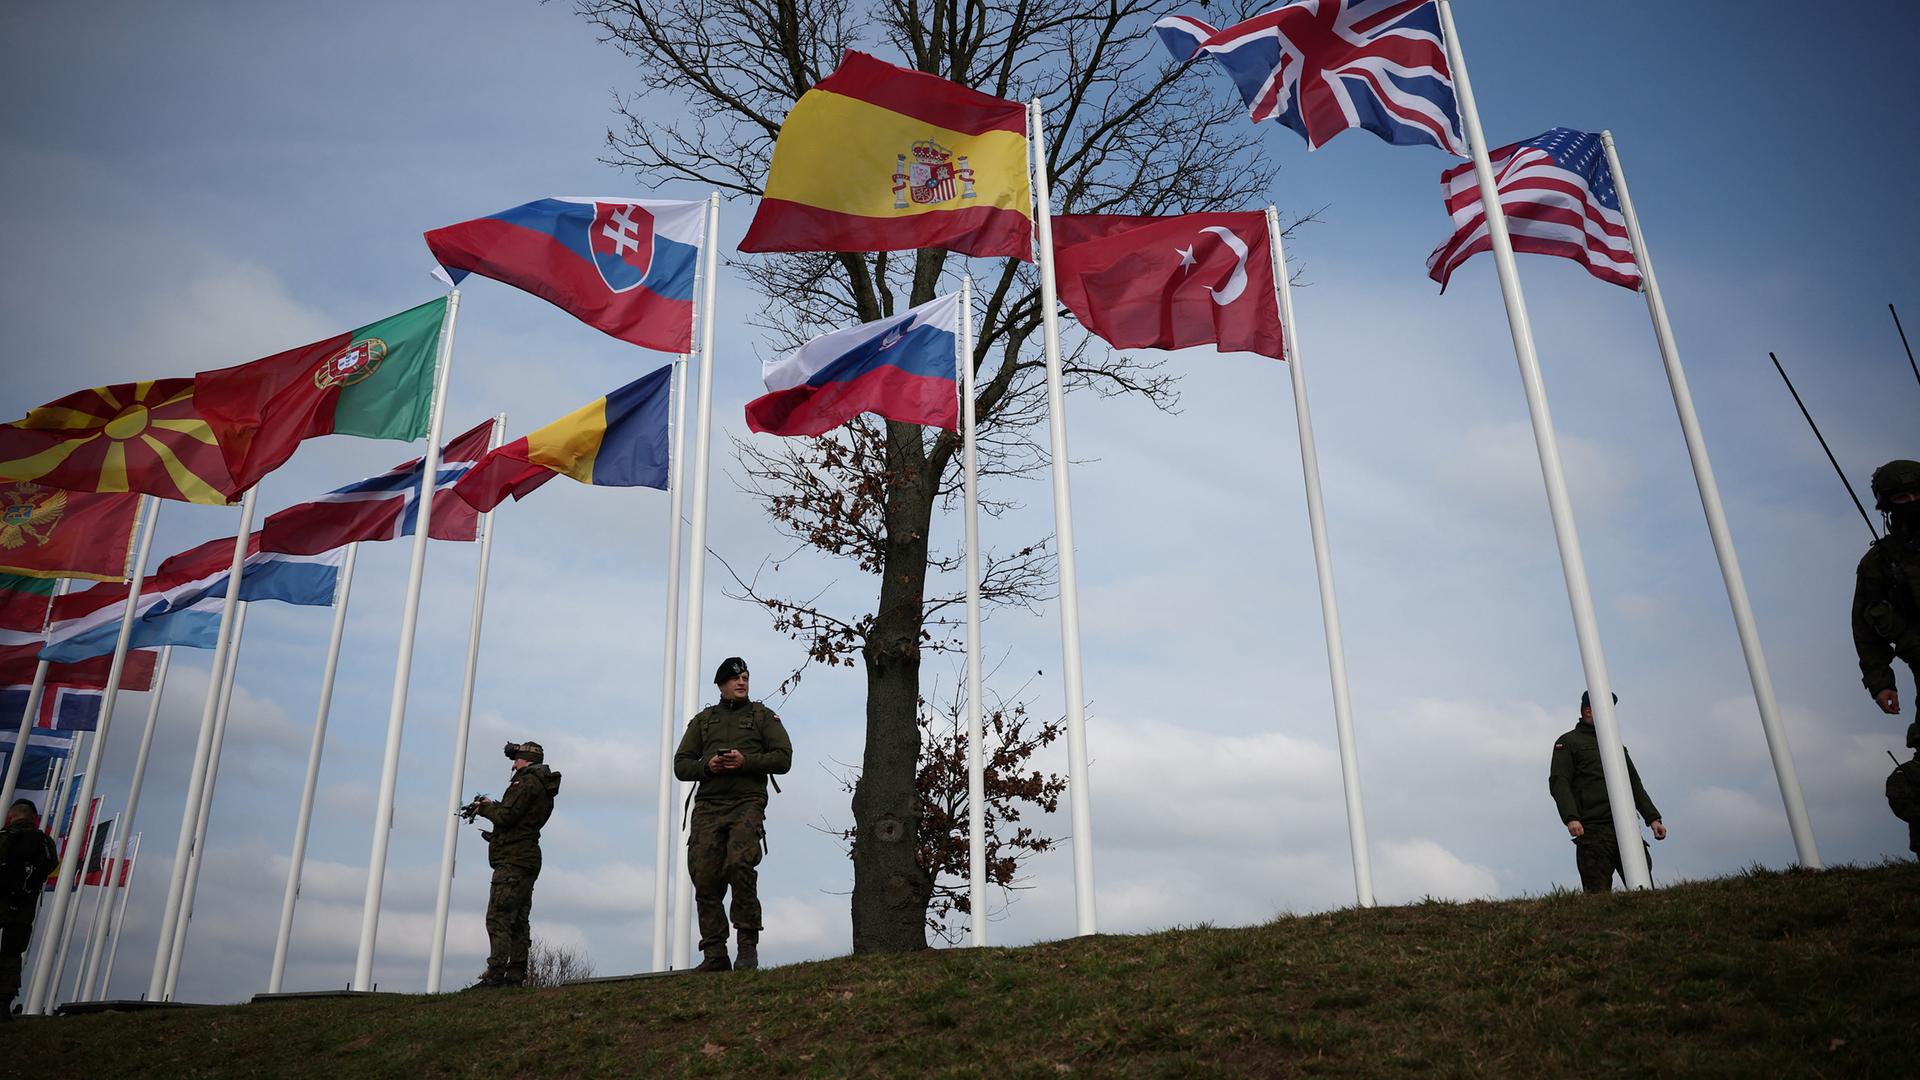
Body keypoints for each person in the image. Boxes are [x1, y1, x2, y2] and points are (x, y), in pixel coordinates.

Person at [674, 656, 792, 972]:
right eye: (735, 678)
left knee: (740, 864)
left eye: (746, 678)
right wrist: (706, 766)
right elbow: (681, 764)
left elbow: (783, 758)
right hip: (708, 806)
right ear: (722, 685)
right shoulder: (704, 721)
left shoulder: (763, 717)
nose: (742, 682)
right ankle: (715, 954)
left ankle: (747, 946)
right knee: (704, 876)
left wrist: (746, 761)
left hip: (747, 801)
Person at [1549, 691, 1668, 893]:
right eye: (1605, 710)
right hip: (1593, 831)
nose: (1611, 715)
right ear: (1588, 711)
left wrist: (1653, 818)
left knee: (1643, 891)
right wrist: (1571, 818)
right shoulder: (1568, 743)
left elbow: (1634, 783)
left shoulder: (1616, 746)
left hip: (1627, 828)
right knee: (1597, 896)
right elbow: (1559, 783)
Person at [465, 740, 561, 988]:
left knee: (498, 917)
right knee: (518, 918)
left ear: (526, 760)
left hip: (514, 858)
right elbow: (518, 816)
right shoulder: (542, 784)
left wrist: (485, 809)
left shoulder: (526, 781)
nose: (514, 763)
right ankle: (515, 975)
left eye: (517, 759)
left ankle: (496, 975)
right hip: (527, 855)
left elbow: (508, 817)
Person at [1853, 459, 1920, 718]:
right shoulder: (1879, 562)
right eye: (1903, 497)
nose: (1913, 500)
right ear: (1888, 505)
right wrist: (1880, 682)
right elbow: (1864, 627)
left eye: (1917, 493)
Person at [0, 799, 57, 1018]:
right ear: (34, 818)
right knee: (12, 954)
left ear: (11, 815)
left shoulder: (4, 837)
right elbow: (51, 865)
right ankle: (4, 1004)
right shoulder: (44, 842)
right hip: (23, 907)